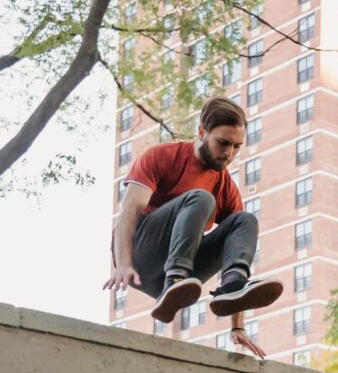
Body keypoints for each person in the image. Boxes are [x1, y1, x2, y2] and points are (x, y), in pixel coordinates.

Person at [104, 96, 283, 356]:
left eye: (236, 146)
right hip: (139, 258)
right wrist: (123, 262)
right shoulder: (163, 156)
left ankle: (231, 284)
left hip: (181, 277)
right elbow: (129, 212)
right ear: (202, 132)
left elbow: (234, 245)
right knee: (201, 199)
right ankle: (175, 278)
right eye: (223, 143)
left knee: (244, 220)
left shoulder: (226, 187)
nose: (229, 154)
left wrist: (238, 326)